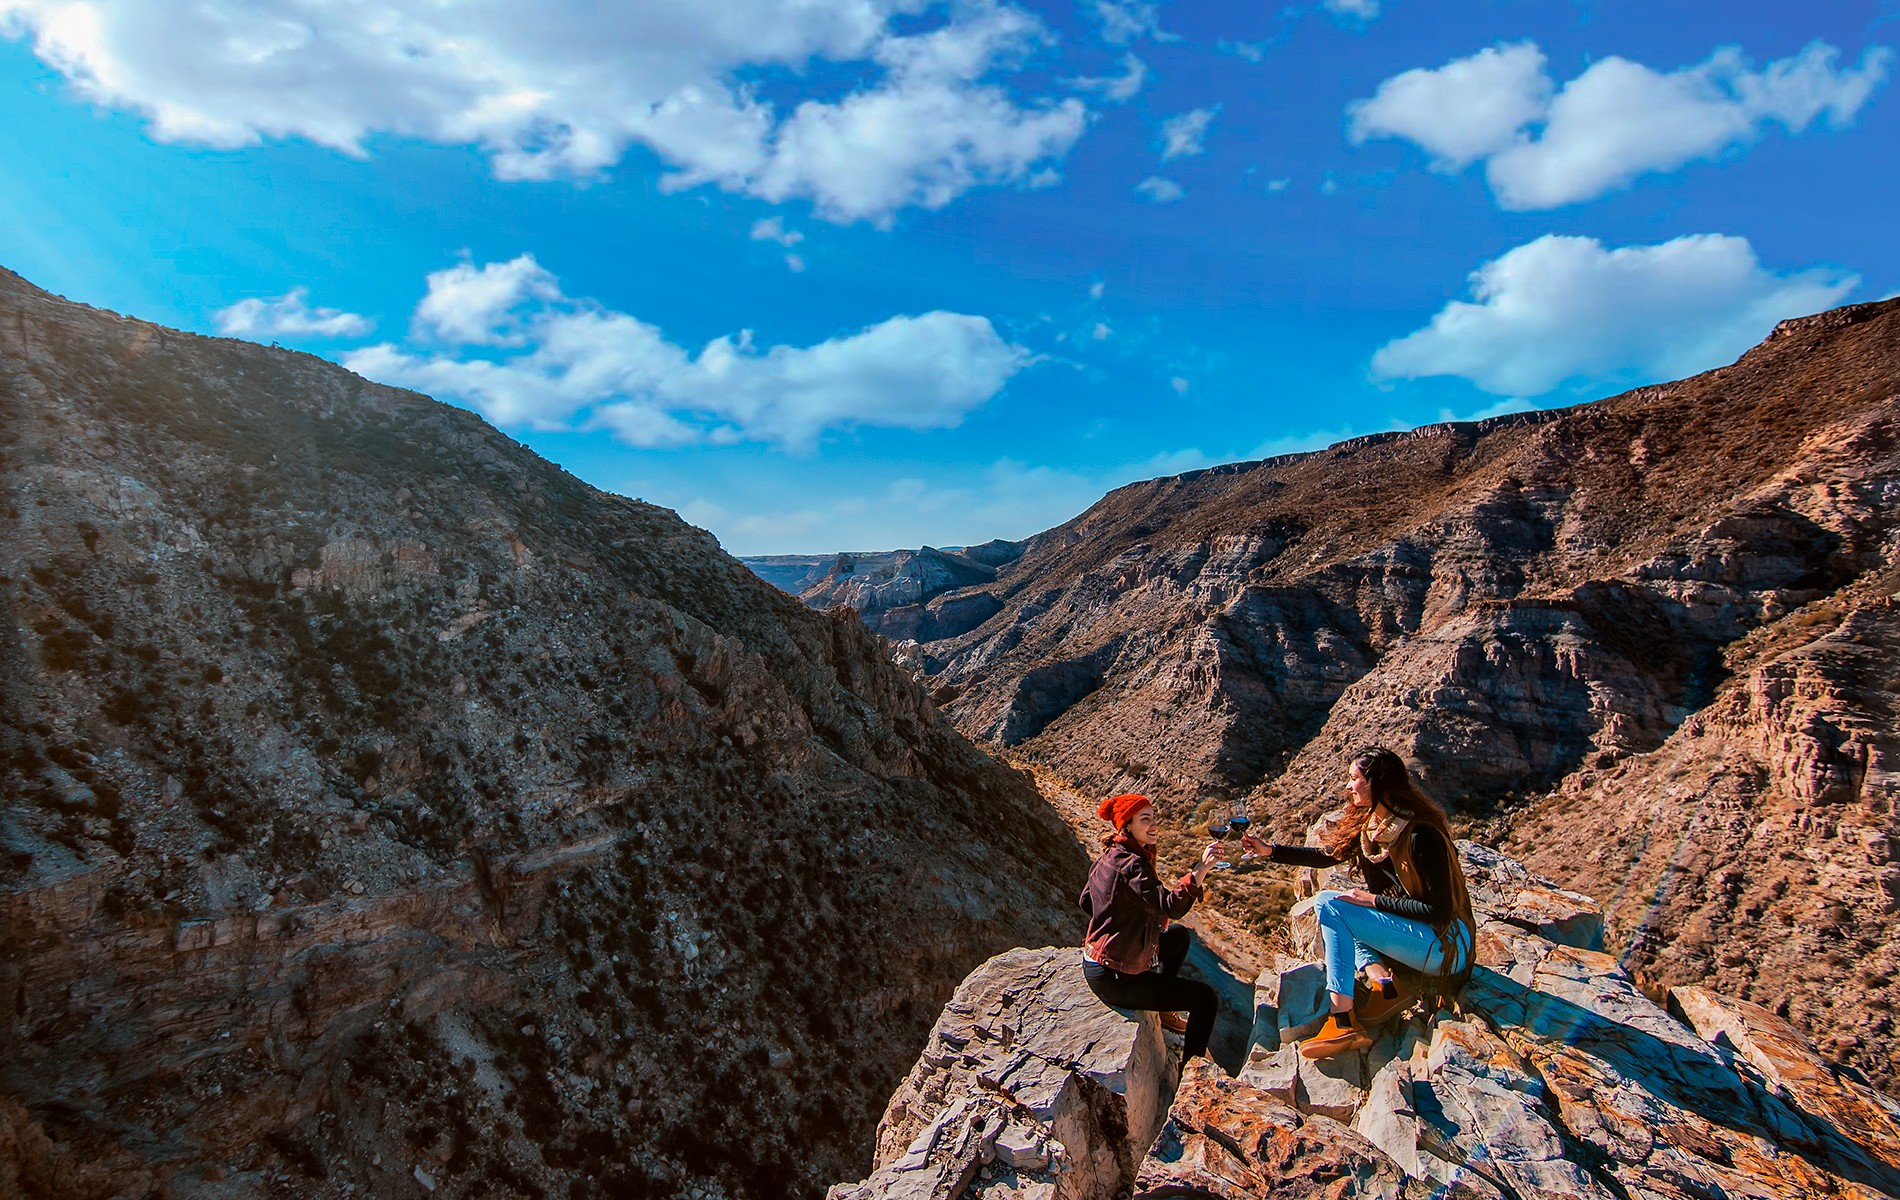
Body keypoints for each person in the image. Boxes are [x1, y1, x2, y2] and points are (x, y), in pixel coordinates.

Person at [1239, 748, 1476, 1059]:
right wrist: (1270, 851)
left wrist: (1372, 900)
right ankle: (1384, 983)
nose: (1348, 787)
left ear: (1376, 784)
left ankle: (1342, 1019)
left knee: (1336, 906)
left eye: (1354, 779)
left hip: (1446, 945)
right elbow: (1327, 856)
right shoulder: (1373, 826)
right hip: (1418, 938)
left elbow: (1439, 910)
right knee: (1332, 902)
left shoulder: (1420, 834)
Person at [1078, 792, 1224, 1061]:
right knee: (1205, 1000)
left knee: (1179, 937)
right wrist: (1201, 869)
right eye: (1146, 819)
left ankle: (1163, 1011)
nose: (1155, 824)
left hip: (1098, 962)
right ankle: (1192, 1073)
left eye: (1154, 818)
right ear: (1128, 825)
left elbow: (1086, 901)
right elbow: (1172, 907)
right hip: (1116, 977)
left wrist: (1123, 922)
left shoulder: (1110, 855)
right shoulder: (1132, 865)